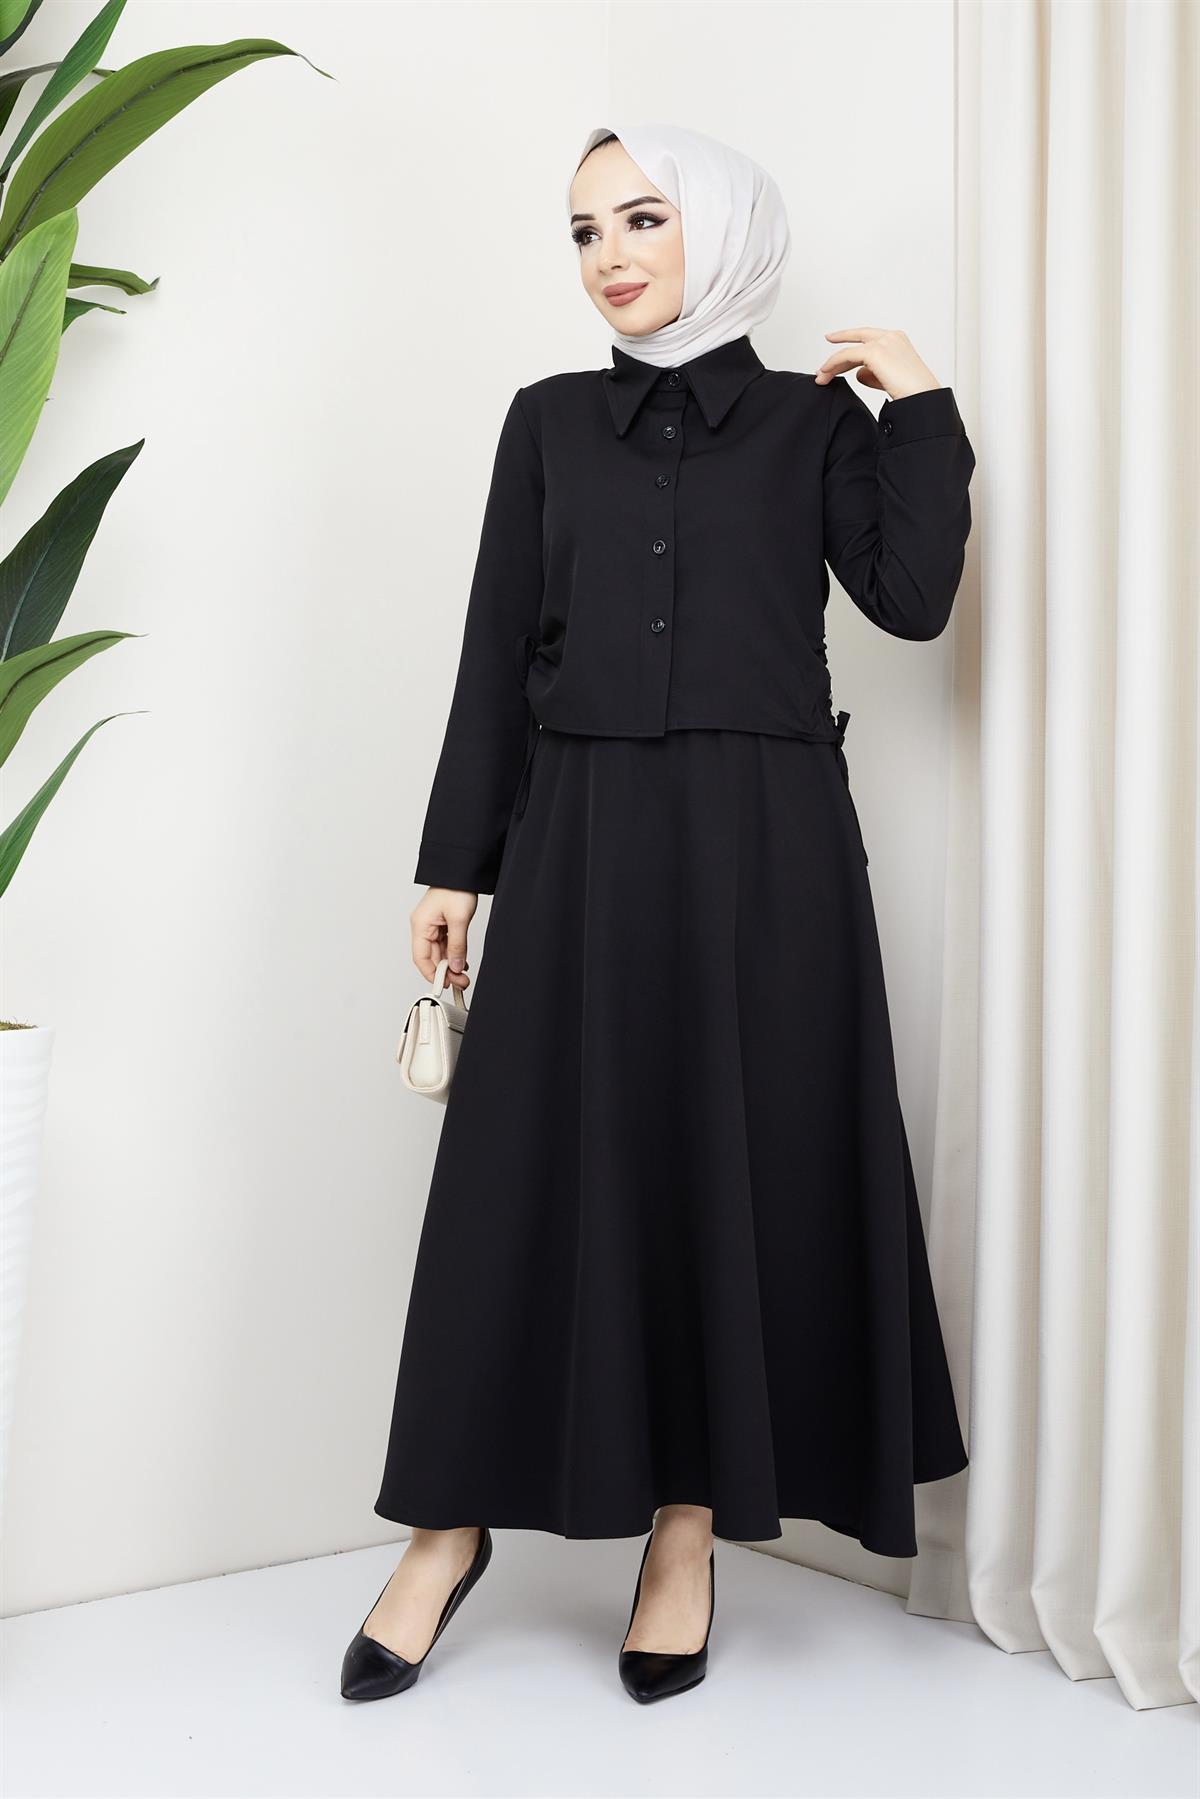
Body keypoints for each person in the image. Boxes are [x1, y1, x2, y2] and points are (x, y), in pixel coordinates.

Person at [341, 121, 975, 1707]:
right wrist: (455, 864)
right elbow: (499, 648)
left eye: (641, 218)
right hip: (579, 837)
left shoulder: (811, 425)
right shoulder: (549, 422)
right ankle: (444, 1531)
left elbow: (910, 601)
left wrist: (921, 408)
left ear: (720, 230)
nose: (609, 255)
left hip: (772, 851)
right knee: (518, 1178)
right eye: (583, 231)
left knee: (729, 1166)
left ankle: (685, 1535)